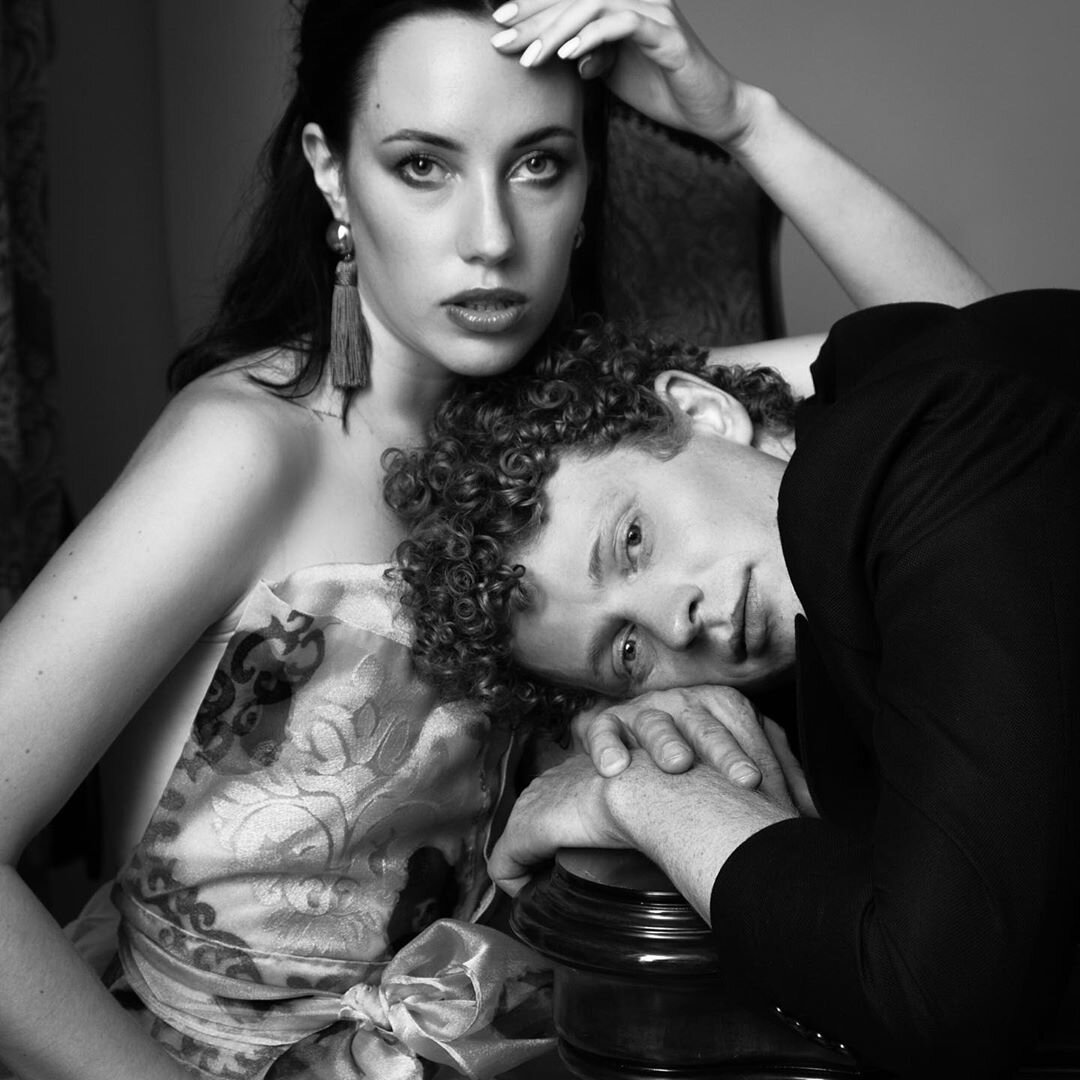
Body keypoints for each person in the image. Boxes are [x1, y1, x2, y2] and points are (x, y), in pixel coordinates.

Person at [0, 1, 991, 1078]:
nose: (490, 237)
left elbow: (992, 378)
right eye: (423, 166)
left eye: (538, 164)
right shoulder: (247, 450)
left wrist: (743, 119)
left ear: (586, 187)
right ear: (332, 174)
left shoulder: (599, 429)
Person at [386, 292, 1080, 1077]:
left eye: (633, 540)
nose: (674, 623)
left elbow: (935, 997)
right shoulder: (841, 577)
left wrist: (641, 798)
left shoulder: (926, 439)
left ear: (701, 412)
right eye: (627, 651)